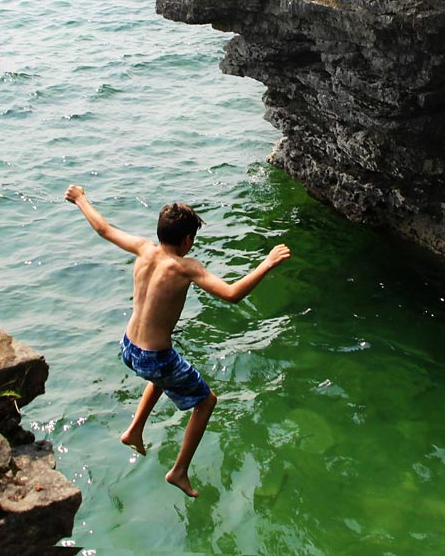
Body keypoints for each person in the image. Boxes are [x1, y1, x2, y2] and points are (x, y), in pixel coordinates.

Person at [65, 185, 291, 498]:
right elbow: (232, 294)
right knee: (206, 401)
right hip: (155, 357)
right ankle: (179, 471)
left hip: (129, 348)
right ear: (187, 240)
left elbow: (103, 228)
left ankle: (134, 430)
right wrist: (266, 263)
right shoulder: (187, 268)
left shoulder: (144, 248)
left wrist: (80, 199)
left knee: (163, 376)